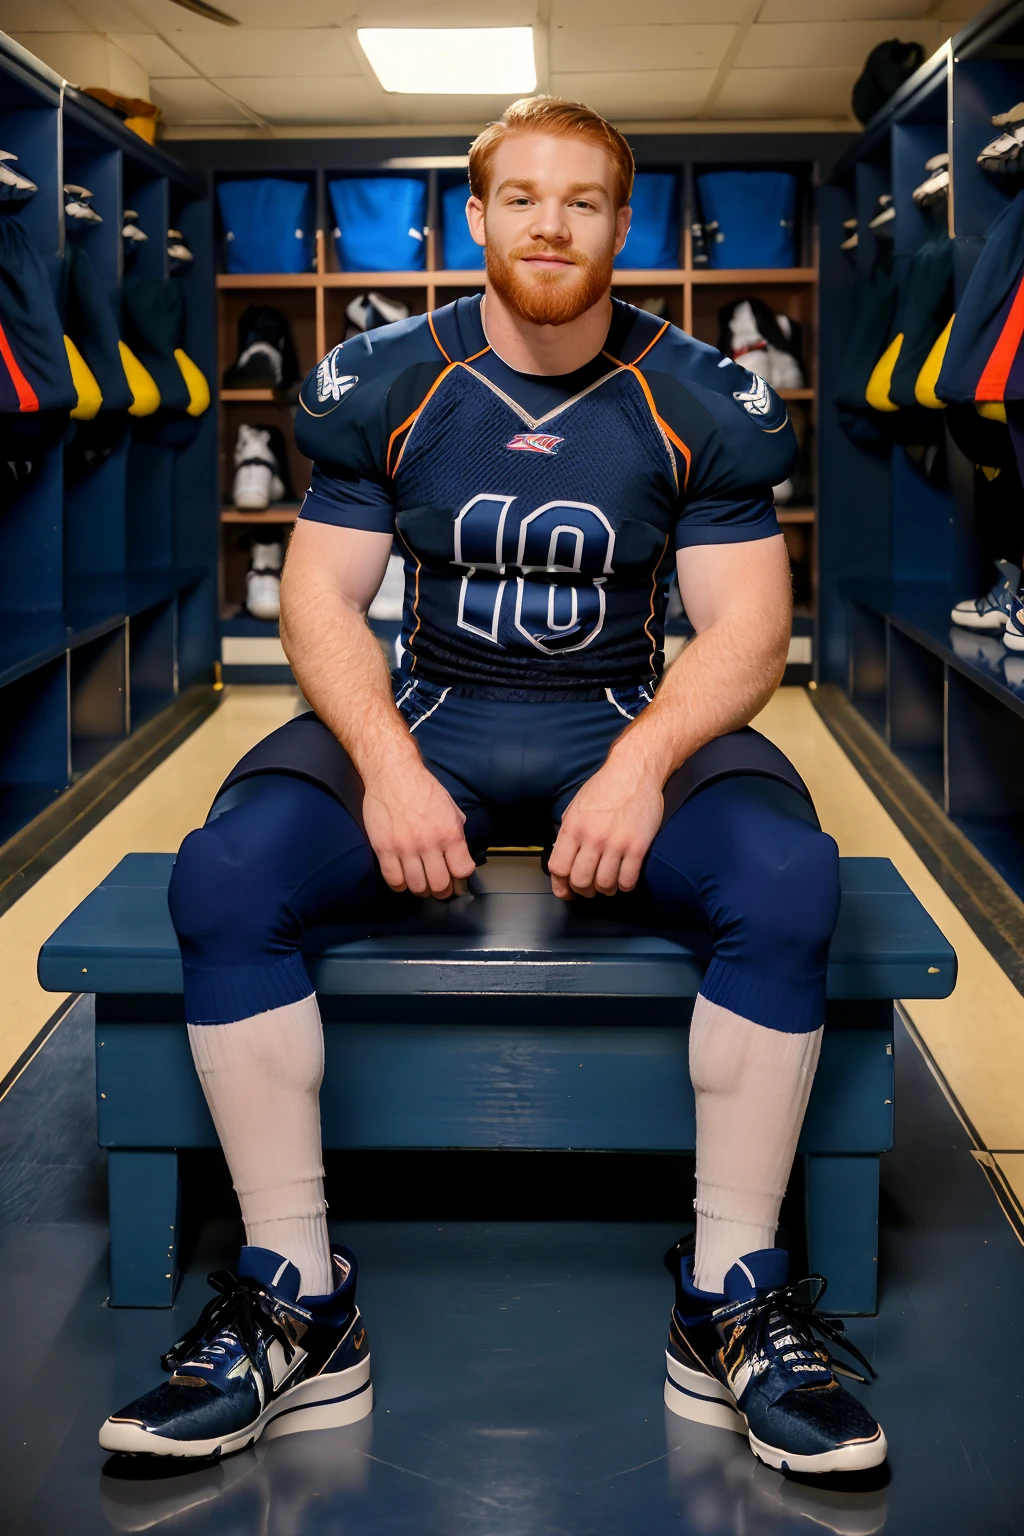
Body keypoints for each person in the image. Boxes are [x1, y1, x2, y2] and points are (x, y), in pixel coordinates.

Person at [99, 97, 886, 1475]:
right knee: (222, 874)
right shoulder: (389, 376)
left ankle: (729, 1298)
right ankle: (299, 1300)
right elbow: (324, 605)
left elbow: (749, 626)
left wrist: (644, 766)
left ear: (621, 222)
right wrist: (392, 769)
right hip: (436, 718)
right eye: (521, 197)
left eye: (583, 201)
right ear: (476, 216)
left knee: (788, 876)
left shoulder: (700, 393)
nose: (550, 224)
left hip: (618, 719)